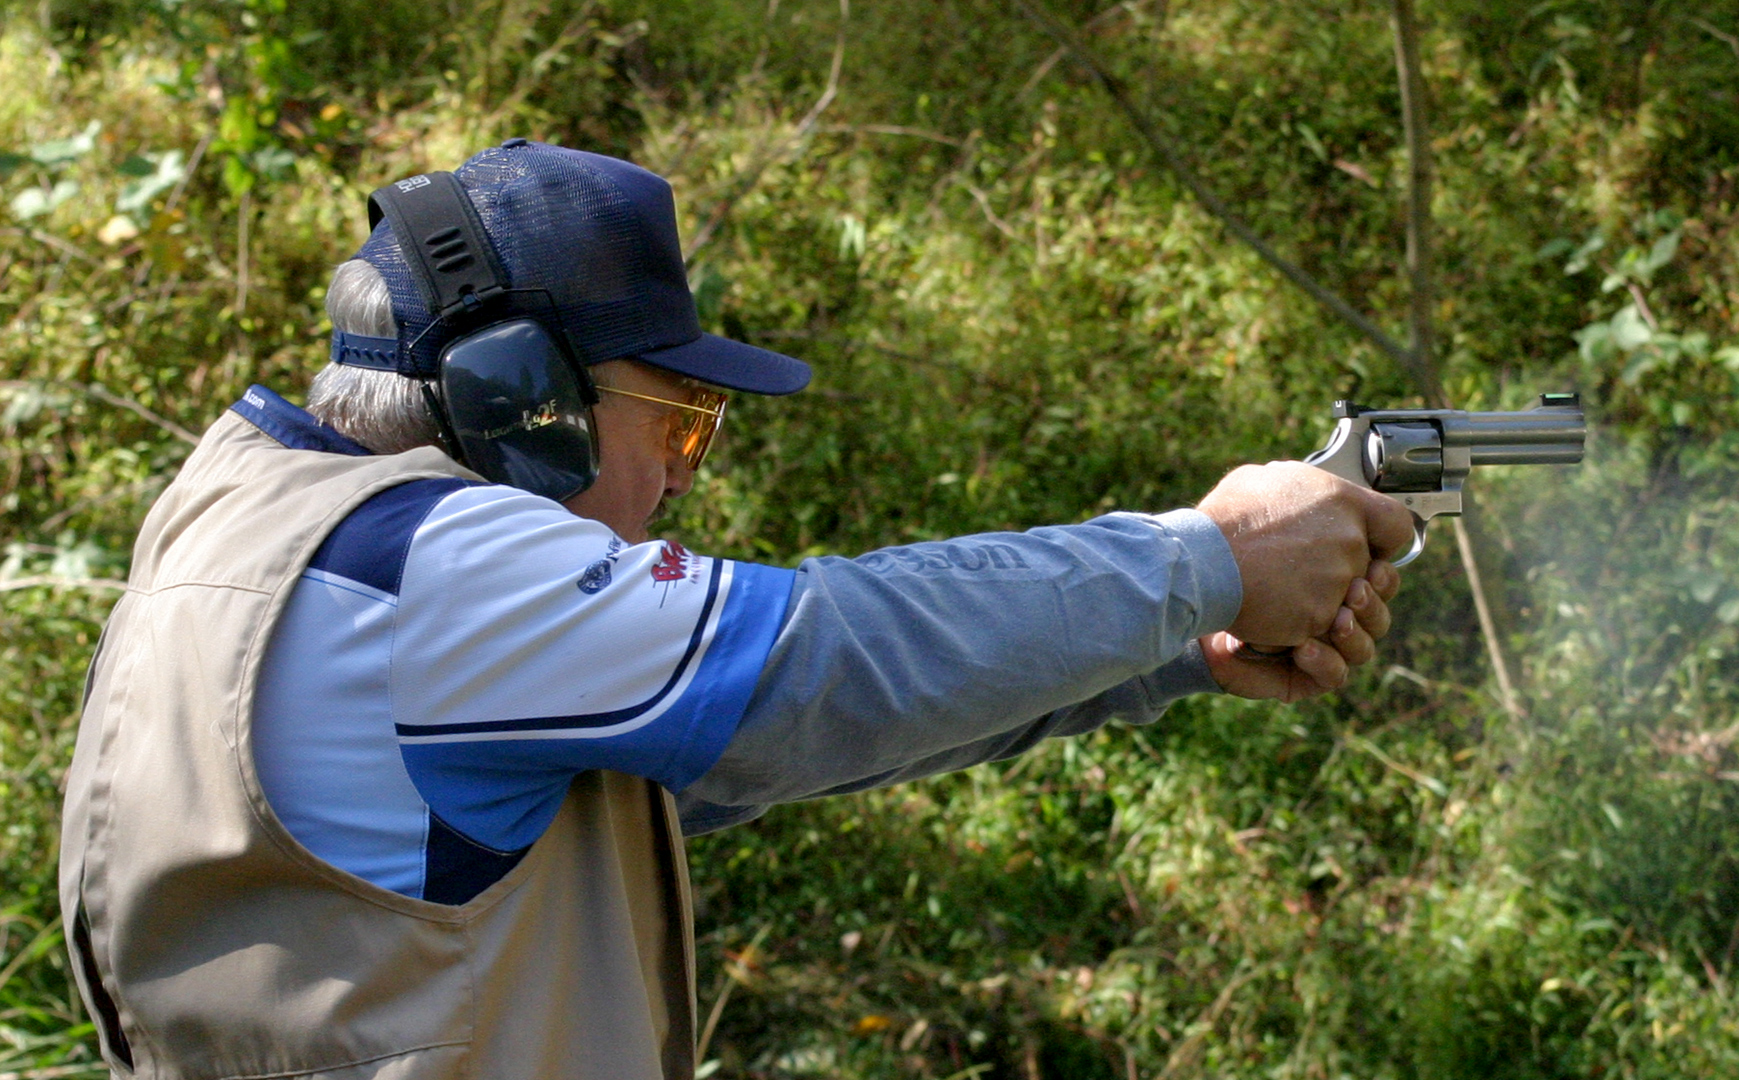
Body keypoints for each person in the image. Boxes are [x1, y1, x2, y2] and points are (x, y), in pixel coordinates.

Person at [59, 140, 1413, 1080]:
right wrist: (1207, 555)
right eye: (680, 417)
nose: (681, 472)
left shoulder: (254, 530)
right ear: (517, 394)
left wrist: (1173, 653)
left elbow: (783, 749)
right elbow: (830, 671)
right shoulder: (437, 573)